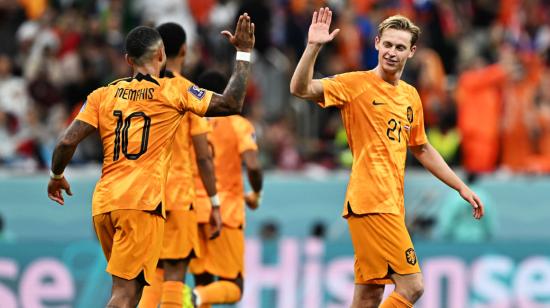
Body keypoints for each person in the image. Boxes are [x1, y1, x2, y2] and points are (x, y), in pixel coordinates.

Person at [47, 14, 255, 307]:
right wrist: (244, 52)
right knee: (127, 293)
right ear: (161, 55)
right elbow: (231, 102)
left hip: (104, 204)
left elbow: (66, 141)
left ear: (128, 60)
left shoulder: (102, 95)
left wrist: (56, 175)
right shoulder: (173, 91)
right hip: (141, 203)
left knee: (133, 290)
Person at [290, 8, 484, 308]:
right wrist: (313, 48)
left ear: (412, 52)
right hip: (371, 200)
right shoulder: (355, 84)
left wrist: (460, 187)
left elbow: (421, 148)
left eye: (400, 47)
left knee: (369, 296)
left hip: (390, 203)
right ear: (377, 43)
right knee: (412, 285)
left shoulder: (410, 96)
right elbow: (299, 88)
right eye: (388, 45)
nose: (392, 52)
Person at [138, 22, 221, 308]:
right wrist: (214, 201)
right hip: (178, 194)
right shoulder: (188, 91)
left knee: (150, 271)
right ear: (184, 50)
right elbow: (203, 155)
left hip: (145, 195)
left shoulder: (137, 92)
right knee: (175, 271)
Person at [189, 70, 263, 307]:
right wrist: (256, 192)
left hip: (194, 211)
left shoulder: (191, 121)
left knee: (203, 280)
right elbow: (252, 165)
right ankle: (195, 297)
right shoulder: (237, 123)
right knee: (234, 286)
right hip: (226, 212)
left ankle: (196, 296)